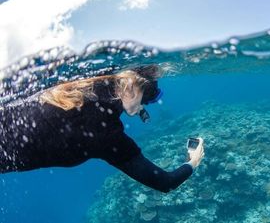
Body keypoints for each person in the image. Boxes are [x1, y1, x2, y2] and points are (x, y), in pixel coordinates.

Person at [0, 65, 204, 193]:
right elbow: (165, 182)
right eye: (149, 94)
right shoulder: (107, 133)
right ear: (132, 86)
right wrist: (193, 162)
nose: (147, 103)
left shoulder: (83, 83)